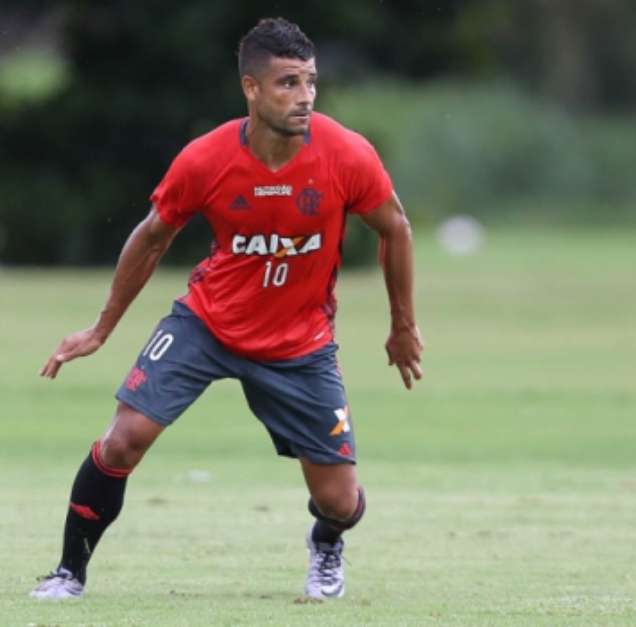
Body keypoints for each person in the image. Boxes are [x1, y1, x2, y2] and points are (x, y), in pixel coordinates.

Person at [30, 17, 422, 601]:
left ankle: (326, 543)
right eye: (288, 83)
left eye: (311, 82)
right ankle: (68, 573)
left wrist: (402, 326)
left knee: (340, 502)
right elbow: (151, 237)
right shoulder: (205, 160)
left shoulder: (346, 154)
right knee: (121, 440)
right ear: (252, 88)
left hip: (300, 343)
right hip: (206, 325)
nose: (305, 96)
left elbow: (396, 228)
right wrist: (101, 329)